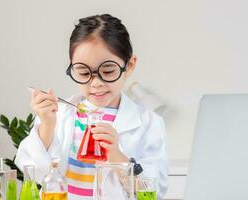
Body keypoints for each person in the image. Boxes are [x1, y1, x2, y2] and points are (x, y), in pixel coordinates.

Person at [15, 14, 169, 199]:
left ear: (129, 65)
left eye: (108, 71)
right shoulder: (60, 115)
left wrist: (117, 157)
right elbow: (34, 172)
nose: (96, 83)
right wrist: (47, 127)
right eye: (83, 72)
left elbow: (154, 193)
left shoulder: (149, 123)